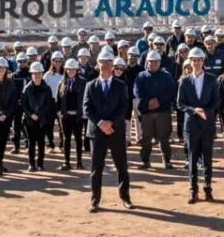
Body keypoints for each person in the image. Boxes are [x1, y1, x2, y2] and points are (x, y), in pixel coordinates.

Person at [83, 48, 134, 212]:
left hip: (116, 131)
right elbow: (87, 108)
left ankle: (125, 197)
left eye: (108, 62)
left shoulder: (121, 85)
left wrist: (110, 123)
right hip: (97, 133)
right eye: (102, 62)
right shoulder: (90, 85)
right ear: (97, 64)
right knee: (96, 168)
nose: (105, 65)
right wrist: (100, 123)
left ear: (113, 65)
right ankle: (95, 200)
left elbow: (124, 107)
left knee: (122, 166)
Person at [178, 46, 221, 203]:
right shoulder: (184, 81)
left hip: (207, 123)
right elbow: (180, 103)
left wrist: (205, 111)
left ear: (204, 61)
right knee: (192, 158)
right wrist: (194, 110)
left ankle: (208, 189)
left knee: (207, 159)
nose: (196, 63)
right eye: (194, 60)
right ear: (190, 61)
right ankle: (193, 190)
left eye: (199, 60)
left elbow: (216, 101)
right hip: (191, 125)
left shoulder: (211, 79)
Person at [133, 50, 176, 169]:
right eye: (150, 62)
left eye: (155, 62)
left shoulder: (166, 76)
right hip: (147, 112)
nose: (153, 64)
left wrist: (159, 101)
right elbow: (137, 91)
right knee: (146, 138)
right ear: (147, 62)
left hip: (163, 112)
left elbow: (171, 91)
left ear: (159, 62)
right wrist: (148, 101)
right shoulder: (141, 76)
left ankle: (166, 160)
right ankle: (145, 161)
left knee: (164, 137)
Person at [21, 61, 55, 172]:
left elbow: (48, 104)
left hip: (42, 120)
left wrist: (39, 114)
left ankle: (40, 163)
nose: (37, 75)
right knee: (31, 143)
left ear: (42, 74)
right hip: (29, 120)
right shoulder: (27, 89)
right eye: (34, 73)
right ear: (31, 74)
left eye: (39, 73)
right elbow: (24, 104)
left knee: (41, 143)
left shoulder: (47, 88)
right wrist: (31, 114)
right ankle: (31, 164)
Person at [57, 58, 86, 171]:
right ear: (66, 70)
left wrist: (84, 112)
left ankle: (79, 162)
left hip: (78, 115)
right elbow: (58, 99)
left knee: (78, 139)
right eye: (69, 69)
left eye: (73, 69)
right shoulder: (62, 82)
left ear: (77, 70)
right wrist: (58, 111)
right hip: (65, 116)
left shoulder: (83, 82)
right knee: (66, 139)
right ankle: (66, 162)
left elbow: (85, 98)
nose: (71, 71)